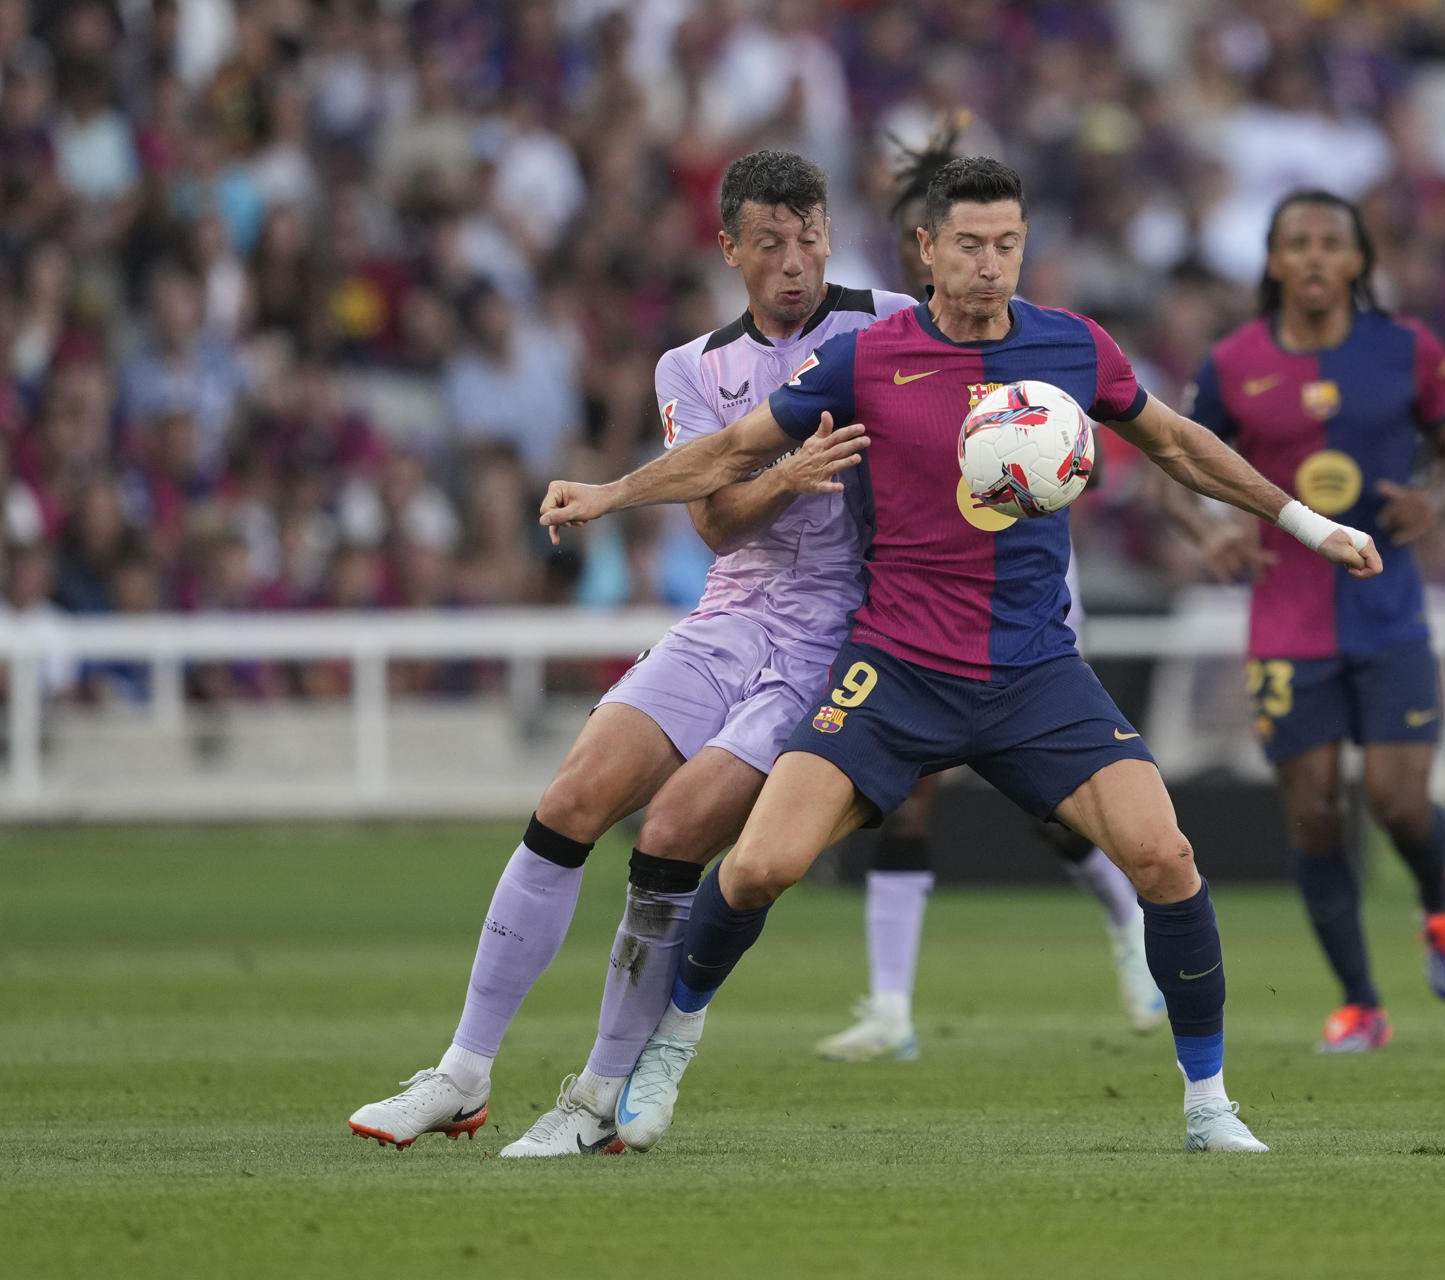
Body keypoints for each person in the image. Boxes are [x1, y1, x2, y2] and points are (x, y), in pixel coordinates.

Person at [539, 157, 1382, 1154]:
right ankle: (672, 1040)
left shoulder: (1072, 347)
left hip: (1033, 673)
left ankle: (1208, 1104)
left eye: (1009, 244)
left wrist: (1304, 520)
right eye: (971, 245)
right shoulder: (870, 356)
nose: (992, 265)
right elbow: (729, 453)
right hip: (893, 669)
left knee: (1166, 855)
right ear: (926, 250)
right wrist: (609, 492)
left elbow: (1179, 444)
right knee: (759, 864)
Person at [345, 150, 917, 1155]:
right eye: (771, 242)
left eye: (811, 235)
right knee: (571, 798)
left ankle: (601, 1089)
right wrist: (781, 478)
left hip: (840, 634)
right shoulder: (691, 366)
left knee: (677, 829)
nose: (795, 260)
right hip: (730, 616)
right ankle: (463, 1072)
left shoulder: (891, 324)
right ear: (729, 246)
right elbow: (717, 522)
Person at [816, 122, 1162, 1065]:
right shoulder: (879, 331)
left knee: (1052, 805)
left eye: (998, 243)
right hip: (916, 600)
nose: (978, 261)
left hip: (1021, 597)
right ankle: (890, 1006)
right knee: (910, 795)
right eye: (952, 240)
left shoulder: (1017, 332)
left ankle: (1133, 931)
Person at [1180, 189, 1445, 1054]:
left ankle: (1440, 901)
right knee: (1313, 815)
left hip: (1388, 611)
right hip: (1286, 617)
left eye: (1330, 243)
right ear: (1273, 262)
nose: (1313, 257)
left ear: (1358, 261)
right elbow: (1176, 466)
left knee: (1397, 802)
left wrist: (1438, 500)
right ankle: (1361, 1004)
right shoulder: (1235, 363)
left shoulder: (1408, 351)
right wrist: (1211, 533)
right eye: (1296, 243)